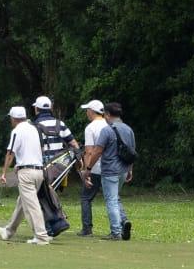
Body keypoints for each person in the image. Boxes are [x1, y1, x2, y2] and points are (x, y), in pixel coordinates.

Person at [0, 106, 51, 245]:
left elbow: (10, 153)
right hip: (39, 171)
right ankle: (9, 230)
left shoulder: (17, 131)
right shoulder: (34, 128)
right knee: (23, 203)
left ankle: (41, 236)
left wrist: (4, 173)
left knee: (31, 205)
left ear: (13, 118)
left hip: (26, 173)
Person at [90, 101, 136, 241]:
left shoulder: (107, 130)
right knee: (115, 198)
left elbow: (97, 151)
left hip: (110, 170)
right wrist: (130, 170)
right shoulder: (128, 129)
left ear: (107, 114)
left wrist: (88, 167)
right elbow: (132, 151)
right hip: (123, 170)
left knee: (111, 200)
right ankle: (124, 221)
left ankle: (115, 231)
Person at [76, 99, 107, 237]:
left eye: (87, 110)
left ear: (92, 111)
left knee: (86, 198)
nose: (86, 113)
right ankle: (121, 223)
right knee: (113, 198)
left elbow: (89, 151)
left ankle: (87, 228)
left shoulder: (90, 128)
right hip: (110, 167)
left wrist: (86, 170)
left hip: (95, 167)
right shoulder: (109, 124)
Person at [32, 96, 80, 164]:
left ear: (36, 109)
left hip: (42, 167)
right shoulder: (60, 124)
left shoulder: (33, 127)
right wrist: (79, 158)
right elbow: (74, 143)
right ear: (50, 108)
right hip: (60, 167)